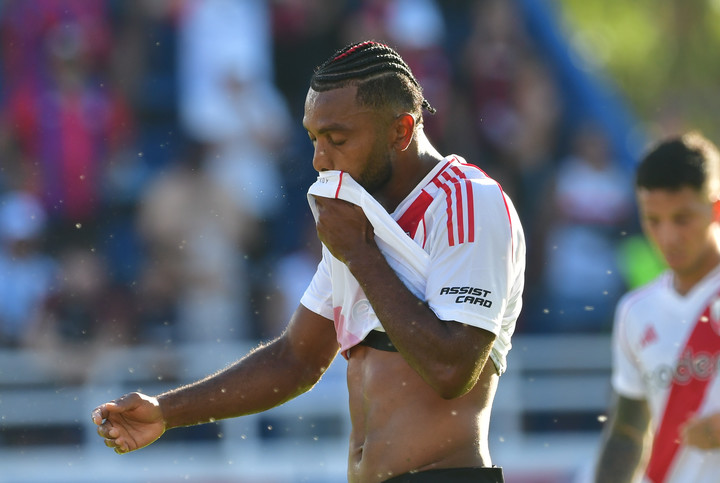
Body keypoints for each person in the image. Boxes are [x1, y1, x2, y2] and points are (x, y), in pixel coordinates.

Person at [92, 40, 526, 483]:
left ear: (400, 130)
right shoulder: (358, 214)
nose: (320, 160)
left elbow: (452, 370)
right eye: (314, 139)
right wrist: (166, 411)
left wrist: (359, 253)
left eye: (337, 139)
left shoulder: (469, 202)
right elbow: (294, 360)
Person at [594, 132, 720, 483]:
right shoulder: (635, 311)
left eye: (682, 219)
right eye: (653, 220)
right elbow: (626, 434)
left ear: (716, 208)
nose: (667, 236)